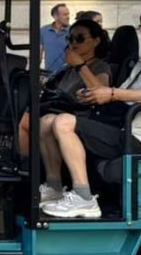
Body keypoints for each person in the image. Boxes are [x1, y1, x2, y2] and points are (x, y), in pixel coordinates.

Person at [39, 1, 141, 219]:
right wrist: (94, 95)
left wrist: (112, 94)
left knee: (63, 122)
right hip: (121, 128)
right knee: (47, 120)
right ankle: (55, 189)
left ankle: (84, 198)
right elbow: (114, 94)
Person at [19, 18, 111, 202]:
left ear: (96, 41)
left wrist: (80, 66)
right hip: (57, 110)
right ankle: (33, 175)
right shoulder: (66, 67)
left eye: (79, 38)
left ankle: (27, 174)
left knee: (29, 121)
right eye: (70, 38)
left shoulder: (100, 66)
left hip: (83, 115)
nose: (73, 43)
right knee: (25, 117)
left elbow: (101, 92)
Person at [40, 3, 71, 73]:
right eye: (65, 14)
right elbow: (39, 52)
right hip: (48, 74)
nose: (68, 17)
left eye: (68, 14)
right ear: (55, 16)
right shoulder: (44, 30)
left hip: (67, 75)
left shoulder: (72, 31)